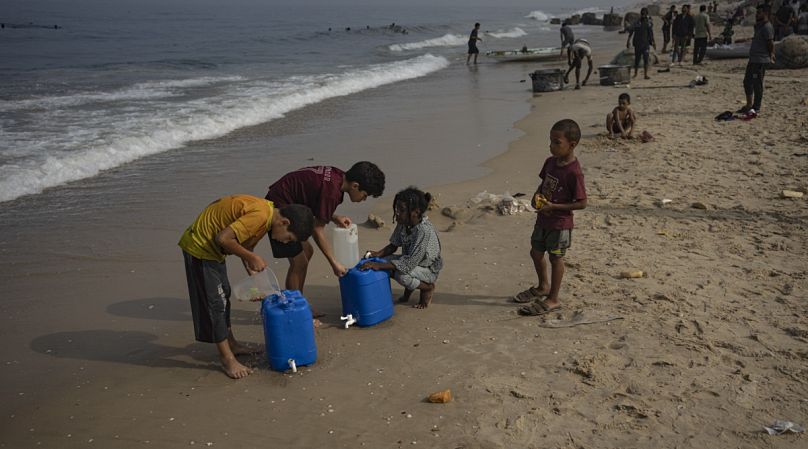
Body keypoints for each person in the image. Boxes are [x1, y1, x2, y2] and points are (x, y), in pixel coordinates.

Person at [179, 195, 314, 379]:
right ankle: (227, 359)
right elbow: (223, 238)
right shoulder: (260, 216)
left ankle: (232, 344)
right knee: (215, 305)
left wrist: (256, 280)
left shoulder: (266, 215)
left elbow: (244, 246)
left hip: (212, 252)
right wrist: (252, 258)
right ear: (284, 222)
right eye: (289, 237)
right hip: (200, 249)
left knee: (223, 295)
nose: (285, 242)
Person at [265, 162, 385, 297]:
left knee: (307, 251)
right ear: (355, 186)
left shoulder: (337, 176)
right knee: (299, 261)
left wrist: (332, 217)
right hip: (279, 212)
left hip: (287, 202)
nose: (363, 199)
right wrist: (334, 263)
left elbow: (312, 196)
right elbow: (317, 230)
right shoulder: (332, 193)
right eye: (365, 195)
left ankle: (299, 300)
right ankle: (295, 306)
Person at [513, 119, 587, 316]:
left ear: (572, 145)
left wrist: (554, 206)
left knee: (556, 258)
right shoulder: (550, 162)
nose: (551, 146)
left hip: (560, 223)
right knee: (536, 253)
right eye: (551, 141)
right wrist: (536, 198)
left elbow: (581, 203)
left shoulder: (574, 173)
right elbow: (543, 183)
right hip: (543, 219)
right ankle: (543, 286)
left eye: (557, 142)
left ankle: (553, 298)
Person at [362, 187, 443, 309]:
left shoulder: (423, 230)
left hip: (428, 269)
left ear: (416, 212)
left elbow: (409, 263)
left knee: (401, 275)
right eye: (396, 208)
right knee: (383, 261)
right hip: (412, 262)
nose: (397, 212)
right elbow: (393, 246)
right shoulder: (404, 223)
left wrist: (378, 266)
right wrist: (377, 255)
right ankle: (407, 294)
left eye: (402, 210)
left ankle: (427, 288)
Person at [738, 5, 775, 116]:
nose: (756, 15)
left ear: (765, 13)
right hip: (753, 59)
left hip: (760, 60)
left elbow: (770, 42)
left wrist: (771, 54)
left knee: (757, 84)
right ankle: (749, 105)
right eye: (756, 13)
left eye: (759, 13)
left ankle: (756, 107)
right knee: (747, 82)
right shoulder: (759, 26)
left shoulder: (767, 27)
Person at [627, 7, 656, 79]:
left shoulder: (649, 22)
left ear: (646, 14)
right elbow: (631, 31)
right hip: (637, 43)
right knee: (637, 59)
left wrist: (653, 42)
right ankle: (635, 74)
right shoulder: (637, 22)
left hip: (645, 43)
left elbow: (650, 33)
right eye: (642, 12)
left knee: (646, 59)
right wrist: (628, 40)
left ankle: (645, 74)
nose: (643, 14)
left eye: (644, 13)